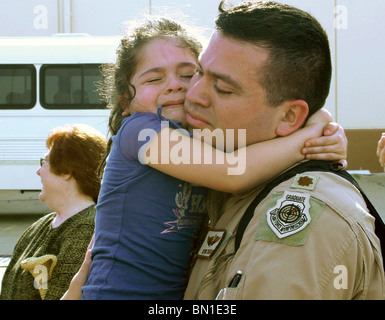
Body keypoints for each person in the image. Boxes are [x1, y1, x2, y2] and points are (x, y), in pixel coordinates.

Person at [77, 18, 346, 300]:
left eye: (188, 74)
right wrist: (309, 140)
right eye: (154, 79)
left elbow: (269, 137)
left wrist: (327, 131)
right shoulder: (141, 131)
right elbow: (233, 171)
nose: (175, 86)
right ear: (124, 102)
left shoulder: (196, 137)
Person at [183, 1, 384, 300]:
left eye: (223, 89)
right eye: (199, 73)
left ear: (289, 117)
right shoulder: (236, 185)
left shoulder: (307, 215)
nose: (194, 94)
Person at [0, 124, 107, 300]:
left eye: (45, 162)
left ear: (67, 171)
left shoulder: (86, 229)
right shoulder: (40, 225)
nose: (39, 171)